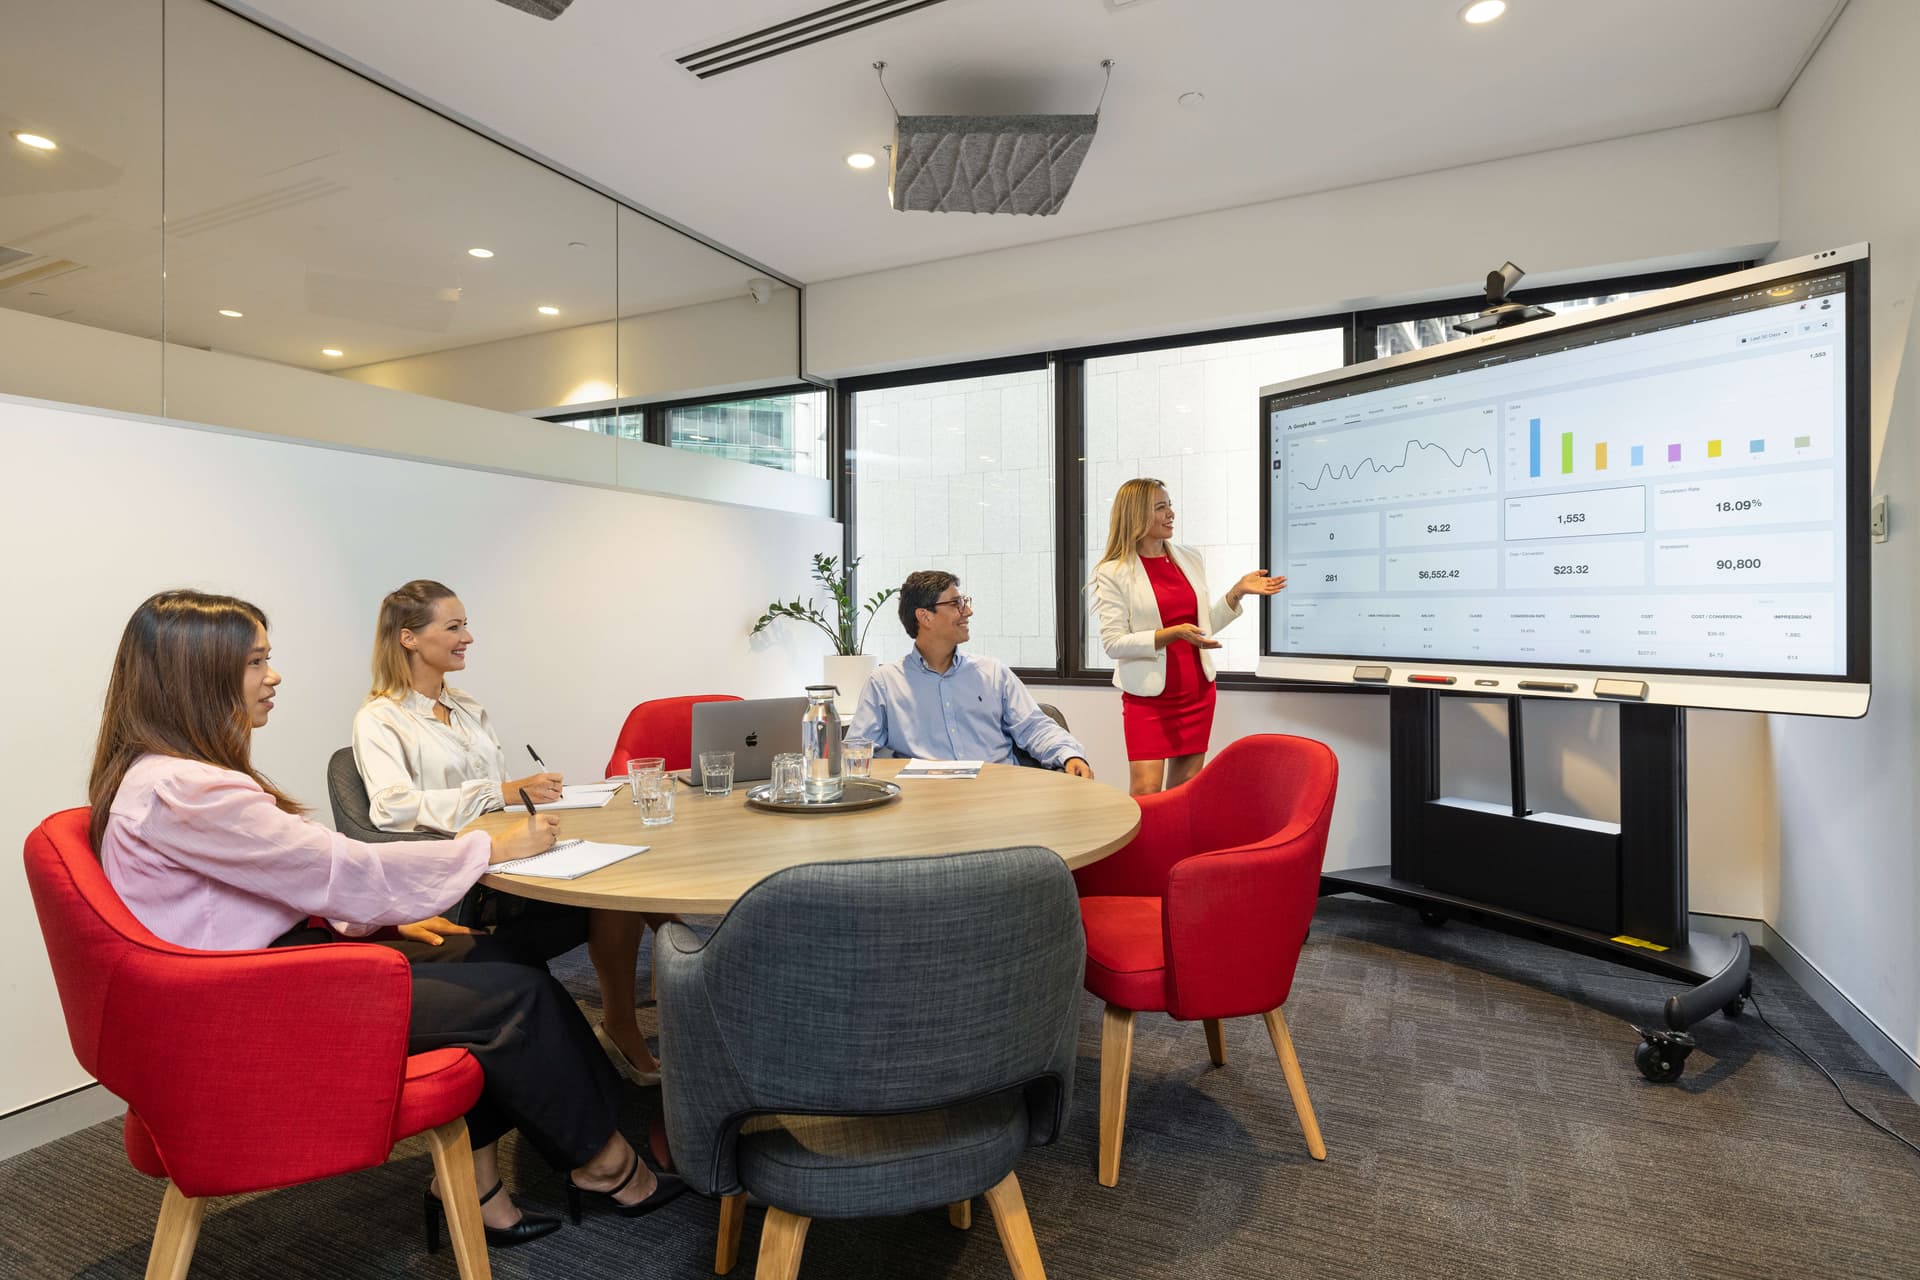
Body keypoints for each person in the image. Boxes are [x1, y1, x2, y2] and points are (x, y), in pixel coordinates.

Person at [89, 590, 683, 1250]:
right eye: (258, 661)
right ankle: (605, 1165)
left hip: (253, 974)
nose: (274, 675)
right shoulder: (188, 788)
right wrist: (488, 848)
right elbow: (338, 867)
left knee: (497, 960)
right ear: (198, 676)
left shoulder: (165, 777)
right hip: (248, 1006)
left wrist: (383, 923)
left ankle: (482, 1185)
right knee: (511, 996)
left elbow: (269, 885)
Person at [352, 580, 662, 1083]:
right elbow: (392, 809)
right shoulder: (380, 720)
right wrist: (498, 791)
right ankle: (652, 998)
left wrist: (525, 793)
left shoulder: (468, 707)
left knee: (622, 871)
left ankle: (639, 1013)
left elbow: (498, 793)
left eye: (465, 625)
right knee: (615, 893)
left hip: (513, 849)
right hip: (469, 872)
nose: (468, 637)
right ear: (408, 638)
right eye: (454, 627)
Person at [1089, 477, 1283, 795]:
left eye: (1170, 505)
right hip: (1148, 698)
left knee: (1186, 792)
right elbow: (1114, 643)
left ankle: (1176, 847)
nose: (1171, 513)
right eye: (1160, 507)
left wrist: (1236, 593)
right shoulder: (1113, 571)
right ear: (1137, 515)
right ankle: (1145, 848)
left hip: (1197, 690)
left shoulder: (1189, 557)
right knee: (1146, 790)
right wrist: (1171, 634)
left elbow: (1201, 628)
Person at [849, 570, 1094, 777]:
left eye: (964, 602)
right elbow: (856, 753)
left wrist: (1069, 755)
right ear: (924, 616)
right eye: (956, 604)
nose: (968, 612)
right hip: (926, 803)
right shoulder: (884, 684)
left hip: (998, 794)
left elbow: (1034, 727)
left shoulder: (993, 673)